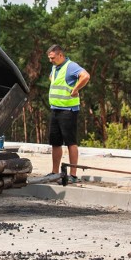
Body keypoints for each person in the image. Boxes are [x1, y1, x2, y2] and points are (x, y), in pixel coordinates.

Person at [46, 44, 90, 183]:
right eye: (49, 58)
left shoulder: (71, 66)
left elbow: (86, 76)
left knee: (70, 142)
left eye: (52, 58)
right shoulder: (55, 67)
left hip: (68, 111)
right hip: (55, 109)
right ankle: (54, 172)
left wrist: (76, 88)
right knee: (55, 143)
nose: (50, 61)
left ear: (60, 55)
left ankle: (73, 174)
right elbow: (52, 80)